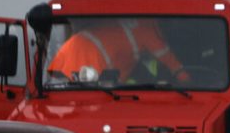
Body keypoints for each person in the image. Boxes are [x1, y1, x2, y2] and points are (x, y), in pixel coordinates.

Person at [47, 18, 189, 84]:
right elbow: (175, 66)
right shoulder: (150, 32)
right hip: (94, 65)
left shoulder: (128, 22)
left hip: (68, 53)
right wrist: (190, 82)